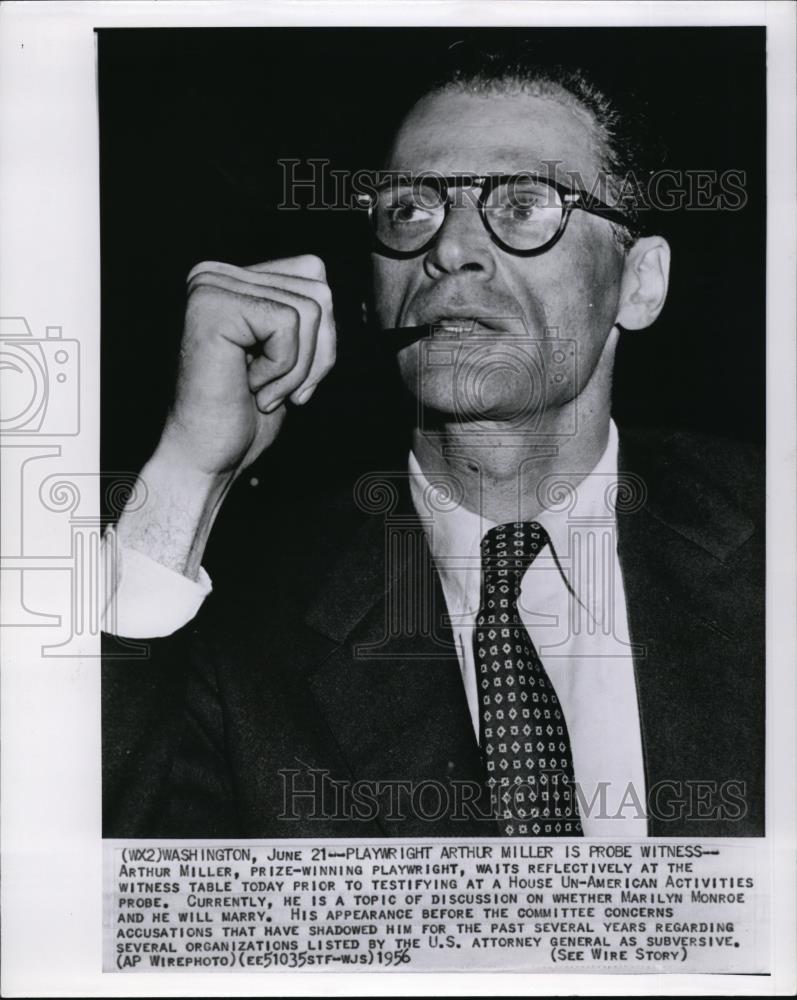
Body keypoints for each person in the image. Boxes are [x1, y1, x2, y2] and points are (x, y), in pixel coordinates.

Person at [101, 52, 764, 839]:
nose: (448, 249)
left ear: (639, 283)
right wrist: (187, 472)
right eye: (410, 208)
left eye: (524, 203)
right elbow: (84, 899)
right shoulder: (250, 621)